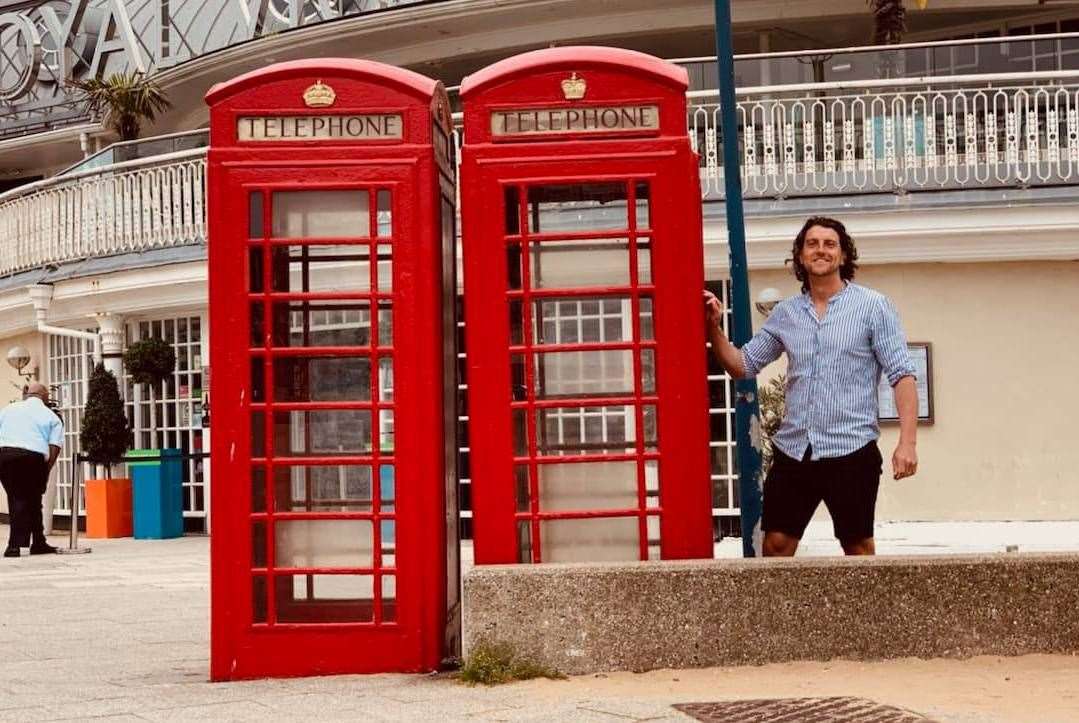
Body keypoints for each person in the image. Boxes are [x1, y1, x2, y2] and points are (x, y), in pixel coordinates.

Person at [705, 216, 918, 557]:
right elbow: (743, 365)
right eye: (812, 244)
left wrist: (907, 443)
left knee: (858, 547)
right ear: (801, 256)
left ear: (843, 256)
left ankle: (862, 612)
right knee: (775, 544)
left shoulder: (873, 307)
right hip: (796, 450)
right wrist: (714, 328)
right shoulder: (785, 314)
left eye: (830, 244)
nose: (821, 250)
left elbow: (902, 375)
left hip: (851, 448)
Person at [0, 382, 63, 557]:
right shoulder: (51, 416)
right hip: (32, 458)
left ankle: (38, 541)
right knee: (29, 498)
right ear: (44, 397)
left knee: (20, 498)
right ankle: (14, 546)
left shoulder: (7, 410)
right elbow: (54, 446)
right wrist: (46, 469)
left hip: (5, 456)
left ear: (27, 395)